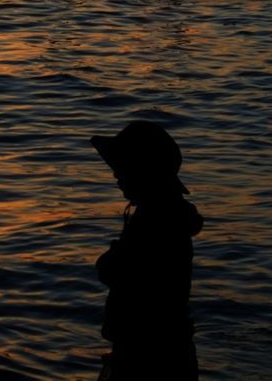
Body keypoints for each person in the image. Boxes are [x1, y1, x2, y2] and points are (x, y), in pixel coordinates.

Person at [92, 120, 203, 380]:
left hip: (149, 358)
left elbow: (121, 272)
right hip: (163, 352)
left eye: (121, 167)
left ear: (142, 170)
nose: (115, 175)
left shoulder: (156, 220)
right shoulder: (160, 213)